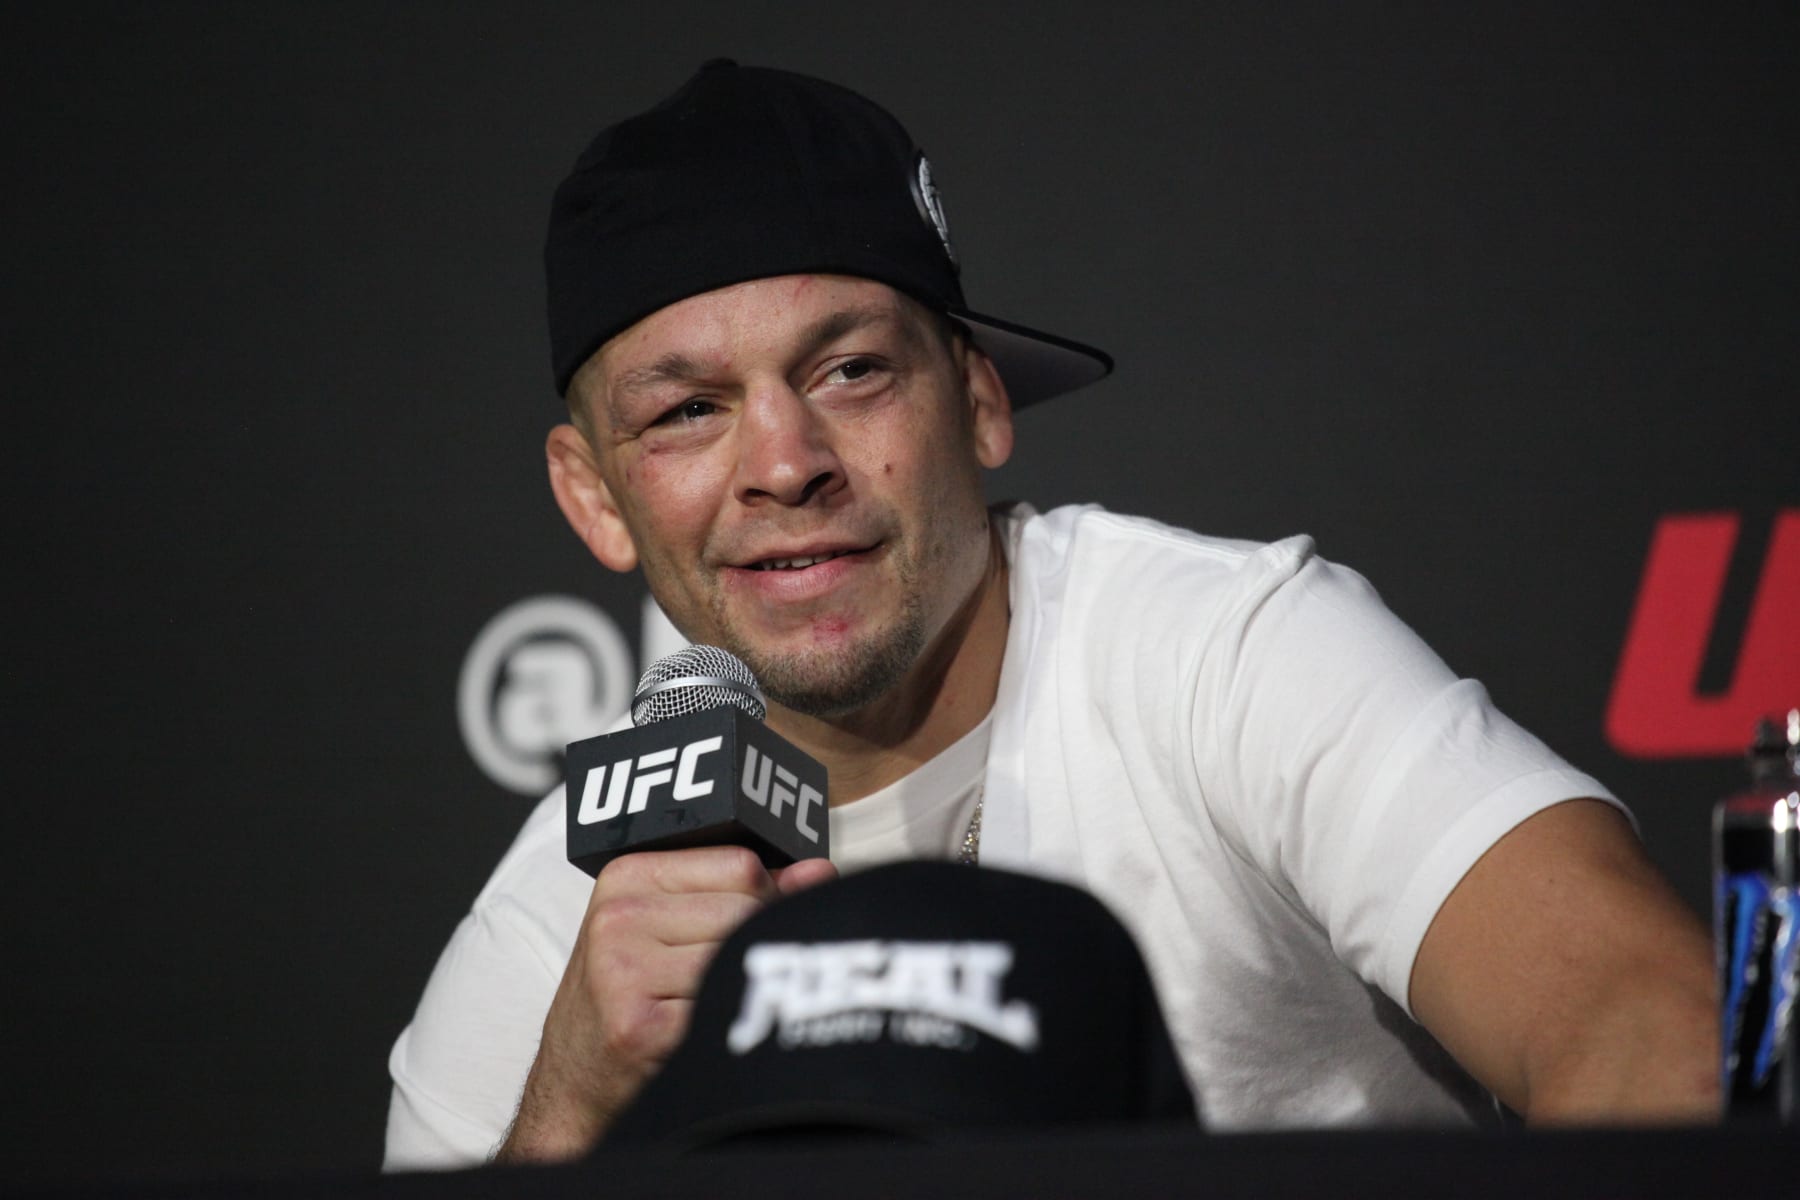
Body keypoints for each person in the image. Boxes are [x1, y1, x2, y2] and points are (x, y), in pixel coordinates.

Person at [383, 60, 1717, 1169]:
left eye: (849, 370)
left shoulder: (1219, 653)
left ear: (977, 400)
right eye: (686, 411)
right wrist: (567, 1115)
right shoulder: (573, 912)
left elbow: (1642, 1020)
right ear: (596, 496)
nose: (784, 464)